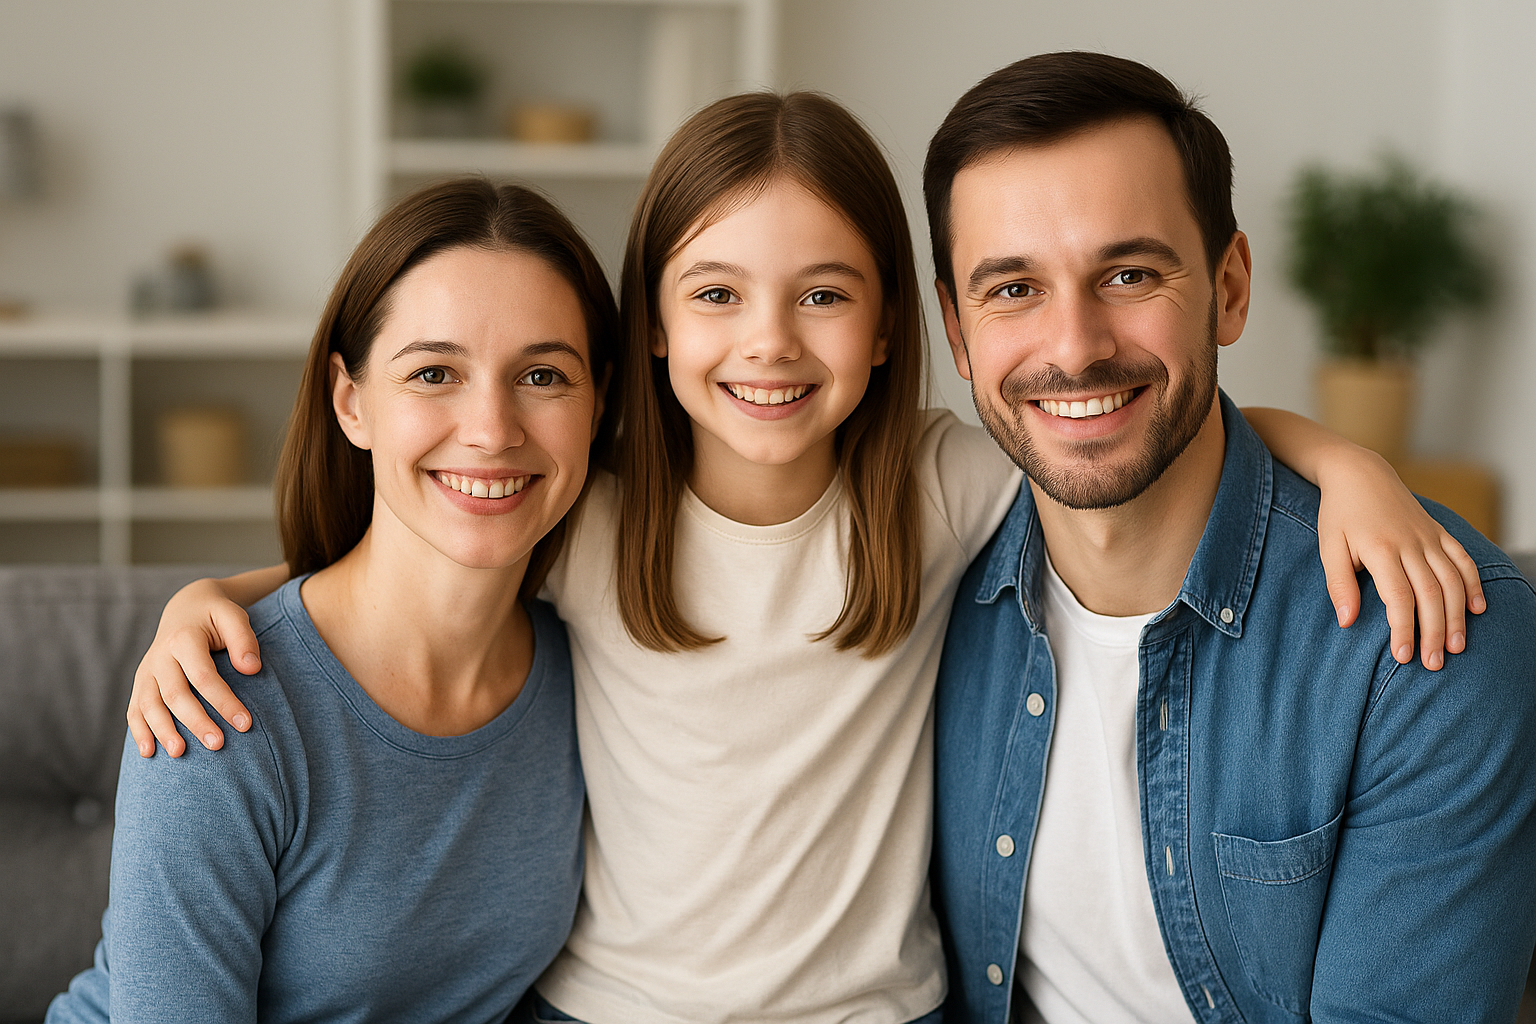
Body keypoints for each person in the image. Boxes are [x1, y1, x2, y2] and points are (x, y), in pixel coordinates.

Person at [121, 93, 1484, 1024]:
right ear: (649, 329)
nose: (768, 344)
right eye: (715, 295)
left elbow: (1119, 430)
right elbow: (407, 555)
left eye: (823, 296)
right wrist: (207, 599)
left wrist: (1345, 462)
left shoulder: (935, 487)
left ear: (898, 326)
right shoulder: (590, 514)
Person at [923, 52, 1536, 1023]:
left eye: (1128, 273)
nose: (1074, 344)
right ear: (957, 333)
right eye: (1012, 290)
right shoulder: (920, 578)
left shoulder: (1425, 636)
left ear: (1230, 287)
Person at [46, 178, 621, 1023]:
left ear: (598, 404)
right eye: (435, 372)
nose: (493, 429)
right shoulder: (220, 708)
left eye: (542, 375)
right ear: (353, 401)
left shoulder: (593, 672)